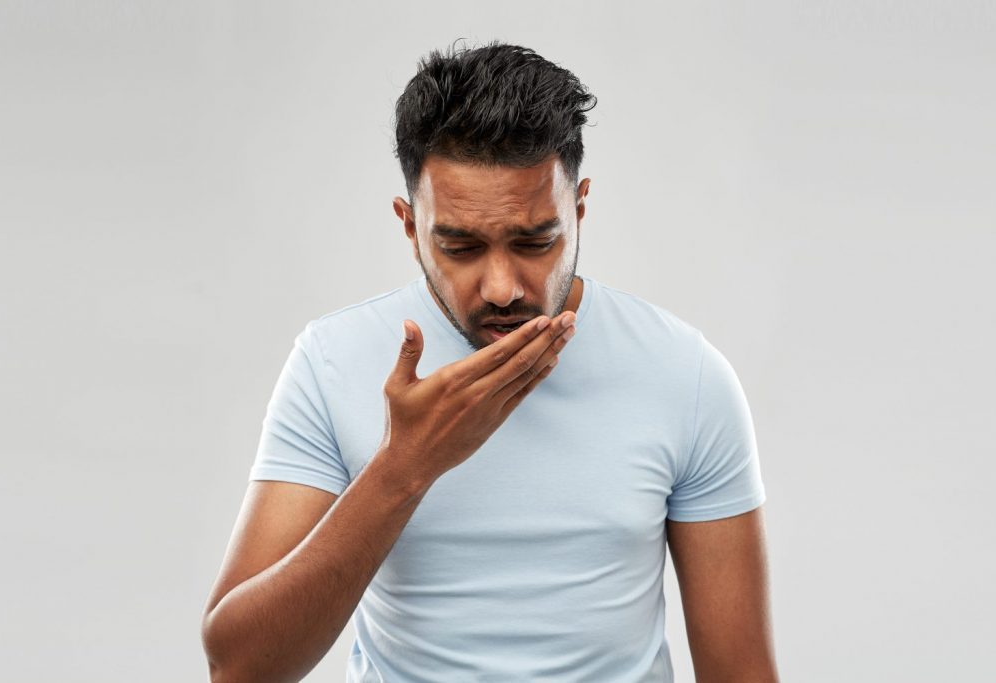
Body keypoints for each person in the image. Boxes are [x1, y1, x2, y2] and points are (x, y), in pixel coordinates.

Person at [201, 40, 779, 683]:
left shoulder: (684, 374)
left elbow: (742, 673)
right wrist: (404, 467)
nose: (502, 286)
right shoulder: (333, 361)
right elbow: (239, 666)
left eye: (535, 241)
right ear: (409, 226)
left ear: (579, 210)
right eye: (460, 245)